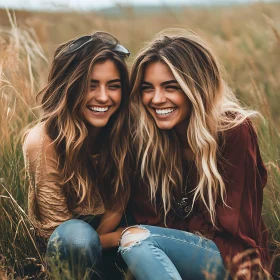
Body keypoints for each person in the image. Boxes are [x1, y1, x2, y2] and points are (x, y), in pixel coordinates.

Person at [119, 29, 272, 280]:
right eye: (147, 88)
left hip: (232, 259)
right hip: (169, 256)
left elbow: (233, 225)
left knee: (136, 239)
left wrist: (173, 234)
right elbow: (150, 217)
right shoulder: (147, 139)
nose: (156, 99)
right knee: (138, 240)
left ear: (197, 88)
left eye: (171, 87)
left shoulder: (233, 130)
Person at [23, 31, 130, 279]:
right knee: (77, 238)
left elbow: (121, 196)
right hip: (73, 247)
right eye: (90, 85)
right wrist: (117, 236)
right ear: (68, 87)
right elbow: (59, 236)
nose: (103, 97)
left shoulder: (124, 128)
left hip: (117, 231)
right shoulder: (43, 141)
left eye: (113, 86)